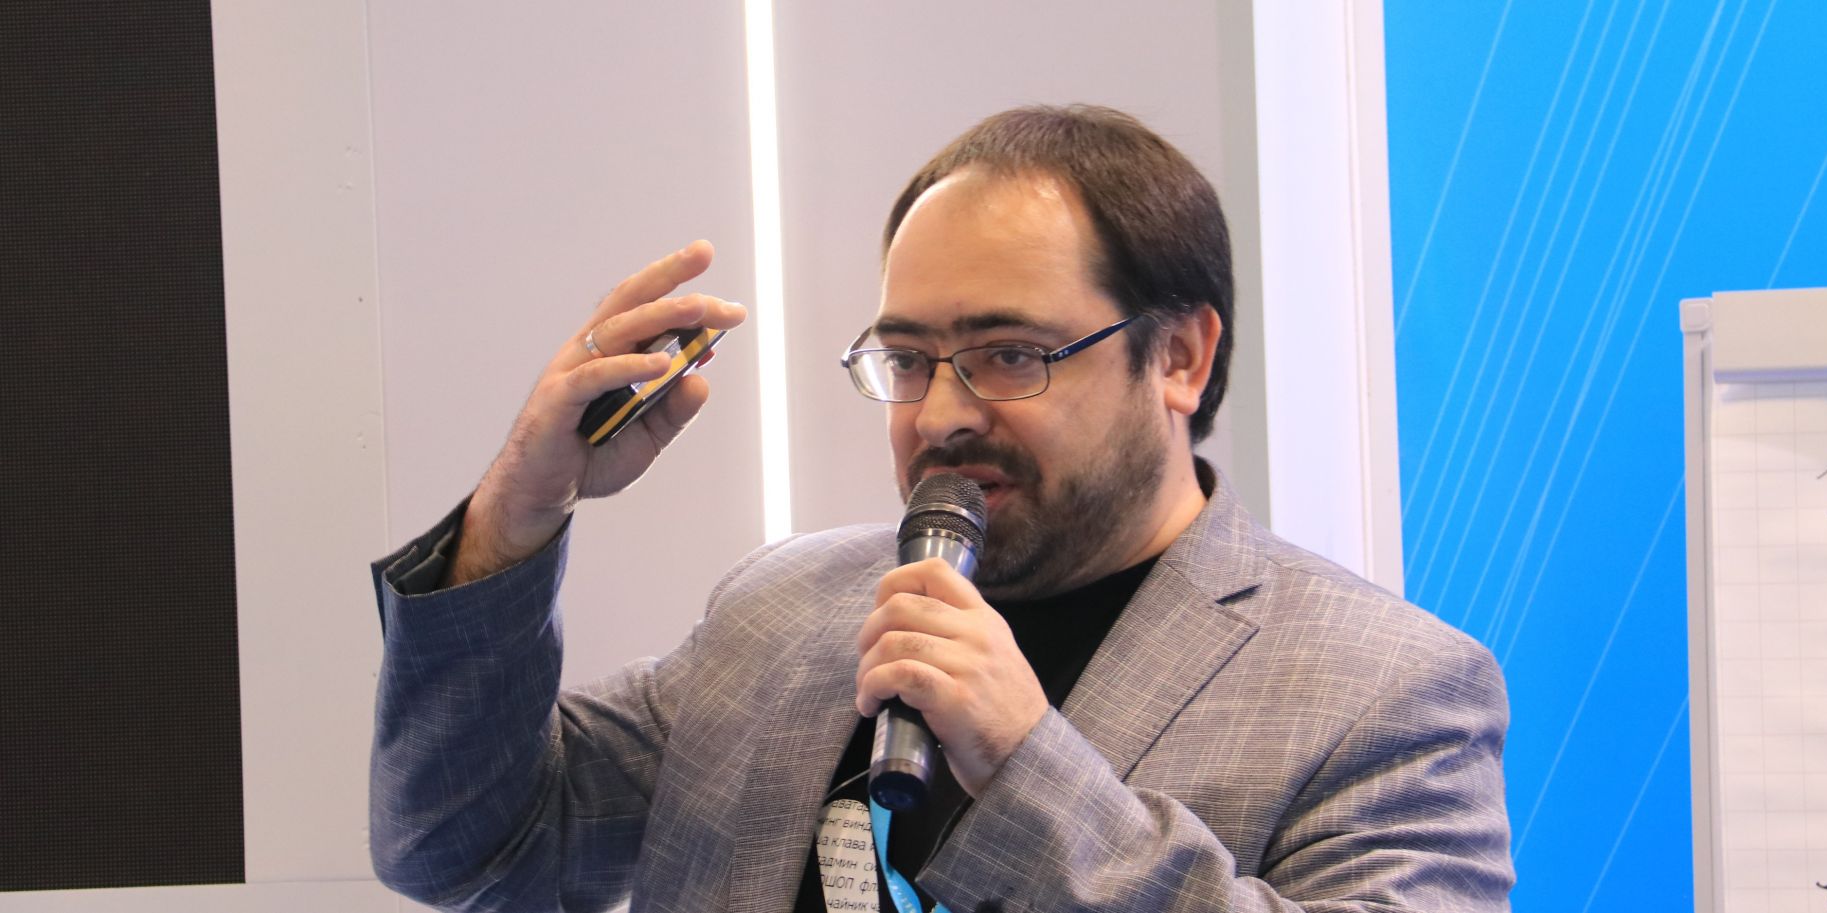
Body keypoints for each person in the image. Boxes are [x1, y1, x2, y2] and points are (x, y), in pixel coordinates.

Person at [370, 105, 1514, 913]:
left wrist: (1027, 768)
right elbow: (467, 848)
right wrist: (516, 513)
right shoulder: (781, 610)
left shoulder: (1386, 693)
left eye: (1011, 353)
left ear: (1179, 356)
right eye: (908, 359)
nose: (944, 413)